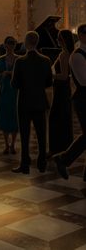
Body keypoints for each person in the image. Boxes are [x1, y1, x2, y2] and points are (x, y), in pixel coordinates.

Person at [11, 31, 52, 174]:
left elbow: (14, 84)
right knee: (42, 134)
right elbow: (49, 82)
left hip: (24, 102)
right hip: (40, 101)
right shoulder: (46, 60)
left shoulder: (20, 61)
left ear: (26, 43)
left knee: (25, 135)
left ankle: (25, 164)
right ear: (37, 42)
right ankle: (42, 163)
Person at [54, 23, 86, 181]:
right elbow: (84, 81)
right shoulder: (76, 55)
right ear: (80, 36)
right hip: (83, 99)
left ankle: (64, 159)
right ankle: (63, 158)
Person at [48, 29, 74, 156]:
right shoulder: (67, 53)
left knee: (56, 118)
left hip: (62, 89)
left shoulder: (64, 54)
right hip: (63, 89)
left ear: (63, 40)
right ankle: (64, 147)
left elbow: (64, 76)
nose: (57, 40)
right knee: (62, 118)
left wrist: (51, 75)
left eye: (58, 38)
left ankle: (56, 148)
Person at [0, 36, 18, 154]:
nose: (10, 45)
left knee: (14, 118)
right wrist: (2, 75)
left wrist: (11, 73)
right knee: (4, 117)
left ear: (15, 45)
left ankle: (13, 144)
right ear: (4, 45)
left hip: (15, 92)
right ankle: (6, 144)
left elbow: (21, 75)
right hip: (4, 91)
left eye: (12, 43)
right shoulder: (0, 60)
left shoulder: (19, 59)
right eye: (8, 43)